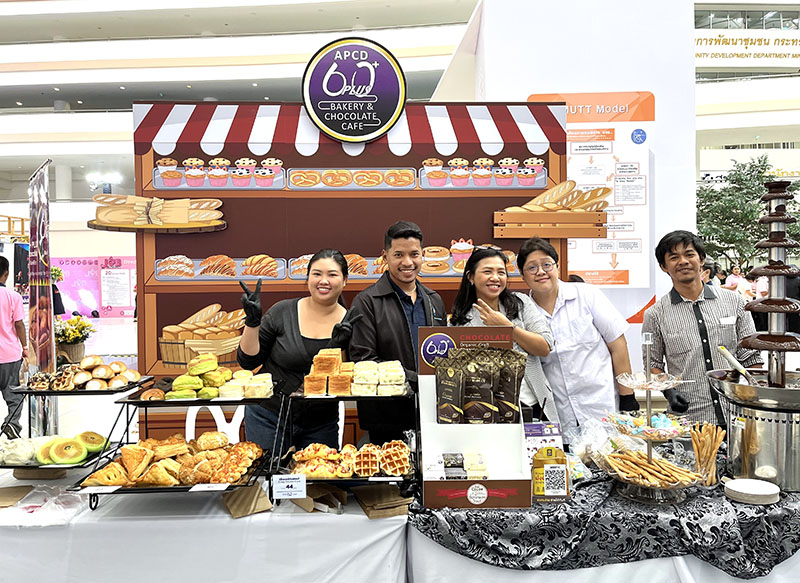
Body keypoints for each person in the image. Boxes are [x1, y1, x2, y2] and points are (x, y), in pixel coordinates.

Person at [517, 237, 638, 441]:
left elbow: (618, 345)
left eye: (546, 264)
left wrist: (628, 397)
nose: (541, 271)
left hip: (601, 408)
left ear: (557, 266)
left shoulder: (587, 295)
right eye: (532, 267)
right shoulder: (522, 312)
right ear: (522, 275)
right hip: (558, 415)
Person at [237, 249, 357, 453]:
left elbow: (347, 380)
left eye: (332, 274)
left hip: (321, 422)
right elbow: (248, 362)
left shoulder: (351, 321)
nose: (323, 281)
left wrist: (337, 347)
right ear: (308, 278)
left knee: (320, 480)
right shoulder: (282, 312)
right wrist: (252, 322)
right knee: (268, 481)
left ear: (345, 280)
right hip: (268, 415)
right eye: (317, 274)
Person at [642, 230, 762, 425]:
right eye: (674, 257)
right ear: (664, 267)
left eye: (689, 254)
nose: (683, 261)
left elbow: (751, 358)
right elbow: (653, 365)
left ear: (701, 259)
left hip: (737, 415)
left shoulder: (735, 302)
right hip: (689, 420)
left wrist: (754, 399)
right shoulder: (655, 314)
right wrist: (669, 391)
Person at [349, 221, 447, 443]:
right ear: (385, 256)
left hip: (431, 413)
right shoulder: (367, 301)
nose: (407, 262)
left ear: (422, 255)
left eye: (414, 254)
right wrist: (419, 380)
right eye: (398, 255)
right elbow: (364, 360)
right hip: (385, 415)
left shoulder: (434, 300)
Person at [449, 247, 556, 423]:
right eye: (487, 271)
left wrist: (507, 327)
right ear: (470, 277)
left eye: (501, 272)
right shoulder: (459, 322)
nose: (495, 277)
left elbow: (544, 347)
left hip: (533, 405)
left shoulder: (521, 304)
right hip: (485, 412)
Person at [0, 256, 27, 439]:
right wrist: (25, 346)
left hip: (8, 355)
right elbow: (18, 324)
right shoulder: (12, 296)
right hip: (9, 355)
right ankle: (11, 424)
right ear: (7, 274)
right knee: (14, 396)